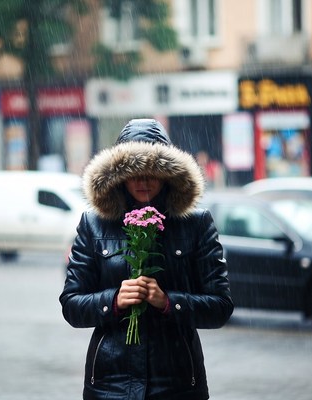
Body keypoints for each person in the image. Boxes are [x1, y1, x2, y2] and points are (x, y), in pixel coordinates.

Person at [59, 119, 234, 400]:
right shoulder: (94, 225)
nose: (143, 181)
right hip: (108, 386)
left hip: (177, 385)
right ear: (118, 176)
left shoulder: (195, 224)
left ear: (168, 175)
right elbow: (71, 306)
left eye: (152, 172)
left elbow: (220, 307)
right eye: (134, 173)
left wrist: (168, 302)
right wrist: (112, 300)